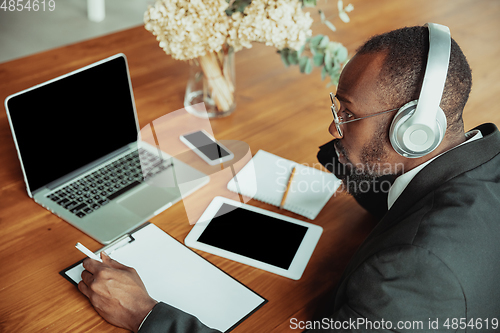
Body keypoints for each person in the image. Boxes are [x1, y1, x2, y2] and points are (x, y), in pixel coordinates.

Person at [78, 25, 500, 332]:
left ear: (414, 131)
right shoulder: (483, 160)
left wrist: (147, 315)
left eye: (348, 114)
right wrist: (358, 149)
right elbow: (409, 201)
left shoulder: (414, 273)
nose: (335, 127)